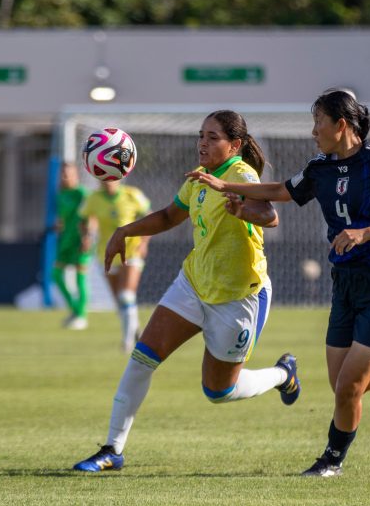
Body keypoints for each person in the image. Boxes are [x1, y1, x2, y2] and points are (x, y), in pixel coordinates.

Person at [186, 90, 370, 477]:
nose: (313, 131)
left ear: (341, 126)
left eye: (318, 123)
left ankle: (332, 461)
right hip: (344, 283)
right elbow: (281, 191)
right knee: (345, 384)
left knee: (348, 387)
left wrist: (366, 233)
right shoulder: (320, 167)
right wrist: (226, 186)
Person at [72, 110, 301, 472]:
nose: (202, 144)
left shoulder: (241, 174)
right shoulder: (199, 179)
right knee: (142, 358)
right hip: (193, 283)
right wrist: (123, 232)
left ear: (235, 145)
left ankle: (282, 375)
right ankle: (112, 449)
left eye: (213, 137)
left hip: (238, 296)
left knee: (218, 392)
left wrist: (242, 210)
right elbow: (167, 216)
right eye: (201, 136)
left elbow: (270, 216)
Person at [79, 177, 151, 353]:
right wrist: (86, 236)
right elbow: (83, 219)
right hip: (107, 254)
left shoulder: (132, 195)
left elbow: (149, 216)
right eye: (104, 177)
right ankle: (134, 332)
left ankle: (127, 344)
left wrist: (143, 243)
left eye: (112, 177)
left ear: (120, 178)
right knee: (120, 302)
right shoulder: (93, 198)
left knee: (126, 296)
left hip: (131, 251)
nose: (108, 181)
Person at [54, 163, 91, 330]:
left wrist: (88, 237)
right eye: (62, 174)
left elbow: (91, 216)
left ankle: (81, 316)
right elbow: (63, 217)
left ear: (76, 175)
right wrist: (59, 225)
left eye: (67, 174)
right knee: (55, 274)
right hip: (65, 240)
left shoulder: (81, 193)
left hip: (80, 240)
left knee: (79, 278)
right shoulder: (61, 194)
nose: (64, 177)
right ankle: (75, 310)